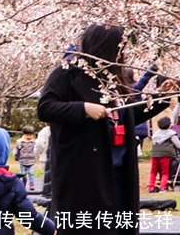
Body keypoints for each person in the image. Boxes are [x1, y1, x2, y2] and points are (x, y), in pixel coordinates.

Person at [37, 24, 174, 234]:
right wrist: (83, 109)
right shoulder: (66, 74)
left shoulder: (117, 79)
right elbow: (45, 108)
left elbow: (129, 115)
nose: (123, 53)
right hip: (84, 175)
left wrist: (160, 98)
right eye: (120, 48)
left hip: (119, 174)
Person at [125, 65, 158, 156]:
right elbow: (144, 79)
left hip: (133, 128)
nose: (137, 75)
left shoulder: (124, 90)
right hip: (138, 128)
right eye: (135, 73)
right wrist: (153, 68)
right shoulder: (134, 88)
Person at [148, 116, 180, 193]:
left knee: (153, 171)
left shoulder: (156, 134)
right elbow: (178, 145)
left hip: (155, 154)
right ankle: (163, 187)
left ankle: (151, 187)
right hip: (166, 155)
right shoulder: (171, 134)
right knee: (165, 172)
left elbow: (154, 142)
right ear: (169, 125)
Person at [14, 125, 37, 190]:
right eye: (27, 135)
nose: (29, 137)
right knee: (23, 174)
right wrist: (15, 154)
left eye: (30, 135)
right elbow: (16, 149)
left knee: (31, 173)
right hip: (22, 160)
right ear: (24, 135)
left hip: (31, 161)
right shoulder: (20, 142)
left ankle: (31, 184)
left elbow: (37, 149)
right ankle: (23, 184)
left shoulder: (34, 142)